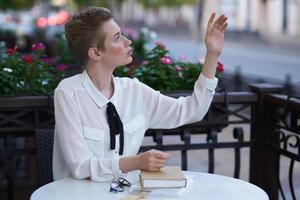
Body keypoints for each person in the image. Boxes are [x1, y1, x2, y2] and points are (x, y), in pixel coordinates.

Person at [53, 7, 228, 182]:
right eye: (117, 38)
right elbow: (80, 166)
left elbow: (192, 110)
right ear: (96, 53)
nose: (127, 41)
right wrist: (136, 162)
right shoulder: (68, 93)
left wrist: (212, 55)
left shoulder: (134, 91)